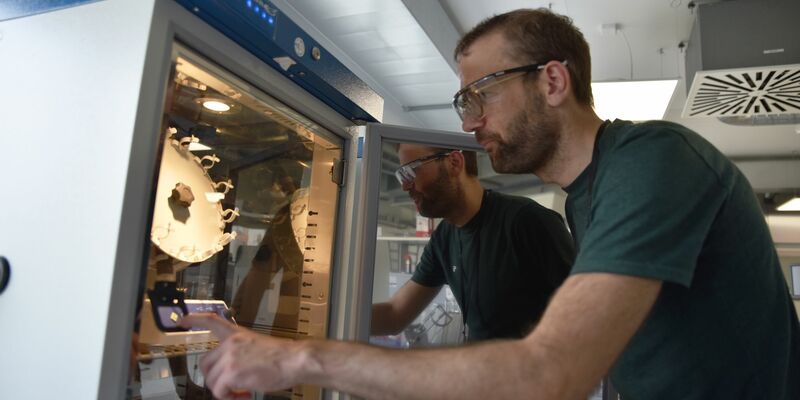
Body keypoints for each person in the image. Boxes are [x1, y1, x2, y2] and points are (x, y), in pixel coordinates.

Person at [181, 8, 800, 399]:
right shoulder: (586, 197)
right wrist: (280, 327)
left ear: (551, 81)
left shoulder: (653, 160)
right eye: (463, 104)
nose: (470, 123)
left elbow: (549, 372)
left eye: (479, 95)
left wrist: (302, 357)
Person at [371, 144, 574, 342]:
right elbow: (394, 315)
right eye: (401, 176)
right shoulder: (443, 238)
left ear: (454, 162)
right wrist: (350, 316)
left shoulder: (527, 221)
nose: (405, 186)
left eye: (411, 171)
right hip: (482, 363)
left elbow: (581, 311)